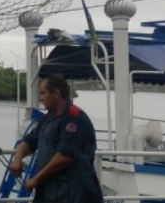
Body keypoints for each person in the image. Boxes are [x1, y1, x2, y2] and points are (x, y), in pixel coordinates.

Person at [9, 74, 102, 203]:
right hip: (49, 192)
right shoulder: (49, 118)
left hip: (74, 194)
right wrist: (18, 158)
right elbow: (30, 141)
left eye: (43, 93)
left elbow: (64, 157)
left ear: (56, 93)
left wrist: (36, 179)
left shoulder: (74, 117)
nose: (41, 98)